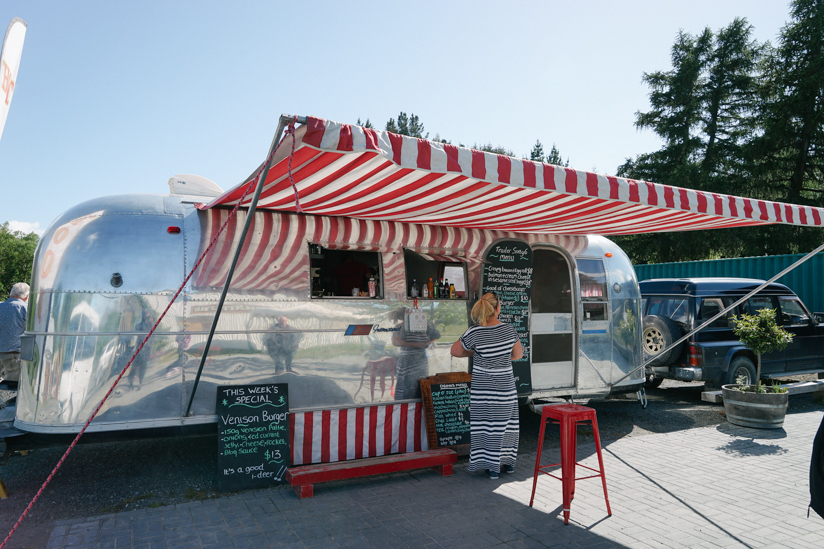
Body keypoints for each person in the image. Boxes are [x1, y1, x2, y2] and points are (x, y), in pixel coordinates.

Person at [451, 292, 523, 480]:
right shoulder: (509, 330)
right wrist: (500, 359)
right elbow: (518, 354)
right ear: (498, 308)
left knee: (486, 427)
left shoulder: (474, 331)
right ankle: (507, 464)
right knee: (507, 427)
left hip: (483, 391)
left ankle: (491, 468)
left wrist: (474, 354)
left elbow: (455, 351)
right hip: (506, 389)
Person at [392, 308, 440, 400]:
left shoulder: (422, 326)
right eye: (411, 312)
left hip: (421, 359)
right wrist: (416, 345)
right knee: (405, 384)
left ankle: (421, 404)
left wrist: (428, 342)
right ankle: (403, 406)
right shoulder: (400, 327)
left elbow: (437, 335)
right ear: (405, 315)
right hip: (407, 360)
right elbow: (396, 342)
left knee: (422, 382)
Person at [0, 282, 30, 388]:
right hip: (13, 355)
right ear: (27, 296)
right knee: (12, 390)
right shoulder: (26, 309)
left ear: (10, 293)